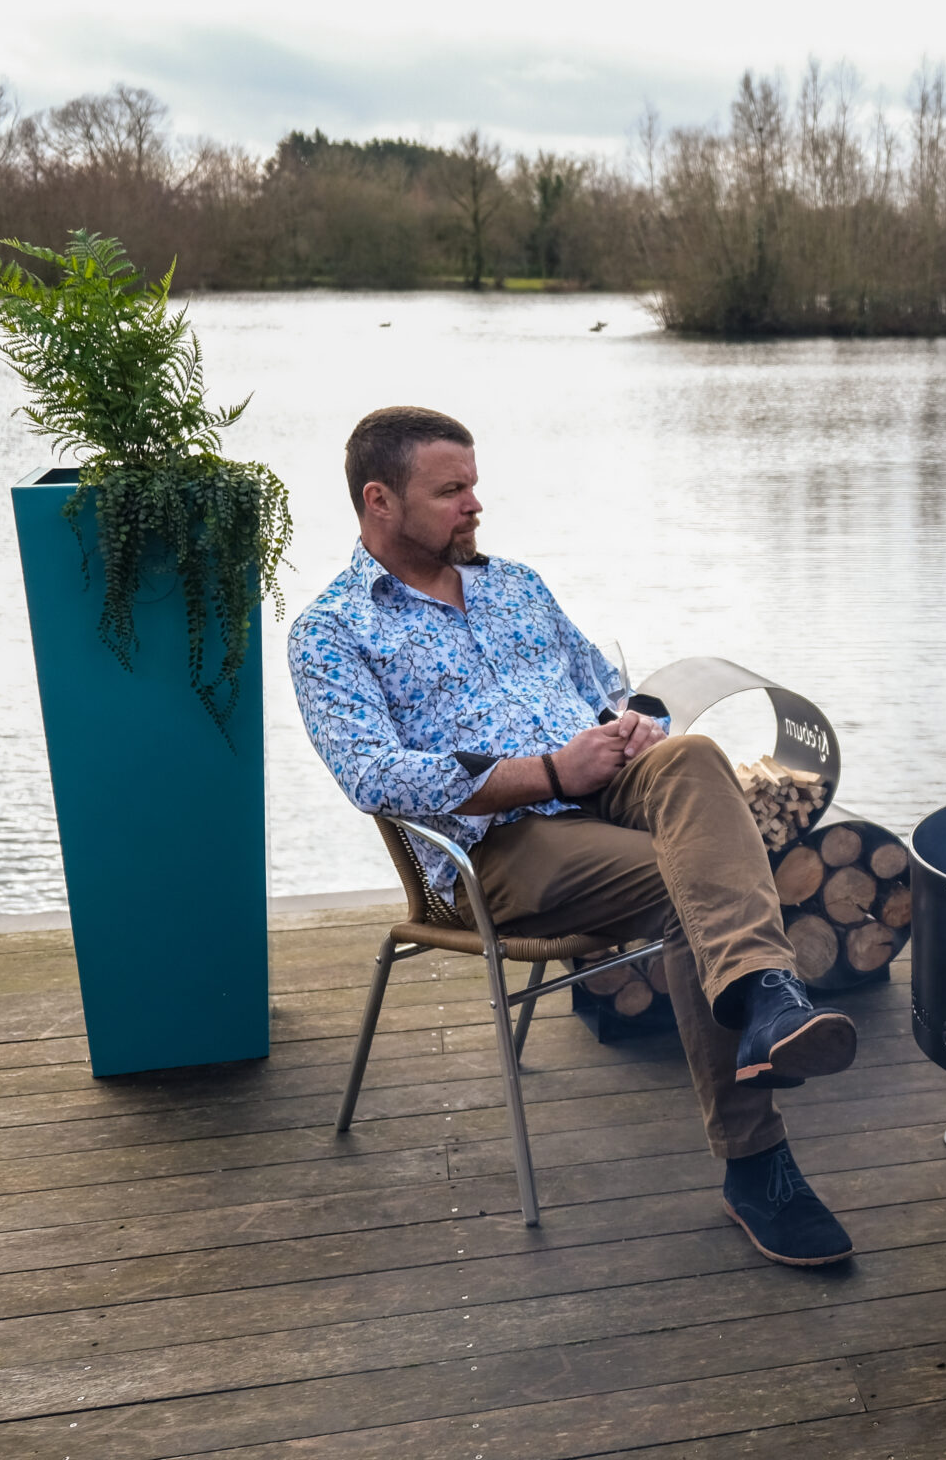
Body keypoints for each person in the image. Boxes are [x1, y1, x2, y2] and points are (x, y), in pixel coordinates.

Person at [290, 407, 859, 1268]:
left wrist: (633, 725)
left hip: (607, 790)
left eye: (474, 484)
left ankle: (765, 997)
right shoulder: (331, 633)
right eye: (450, 491)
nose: (474, 504)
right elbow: (374, 774)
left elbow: (608, 685)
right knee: (691, 889)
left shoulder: (514, 583)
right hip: (499, 848)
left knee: (695, 753)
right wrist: (552, 772)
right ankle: (759, 1163)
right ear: (379, 500)